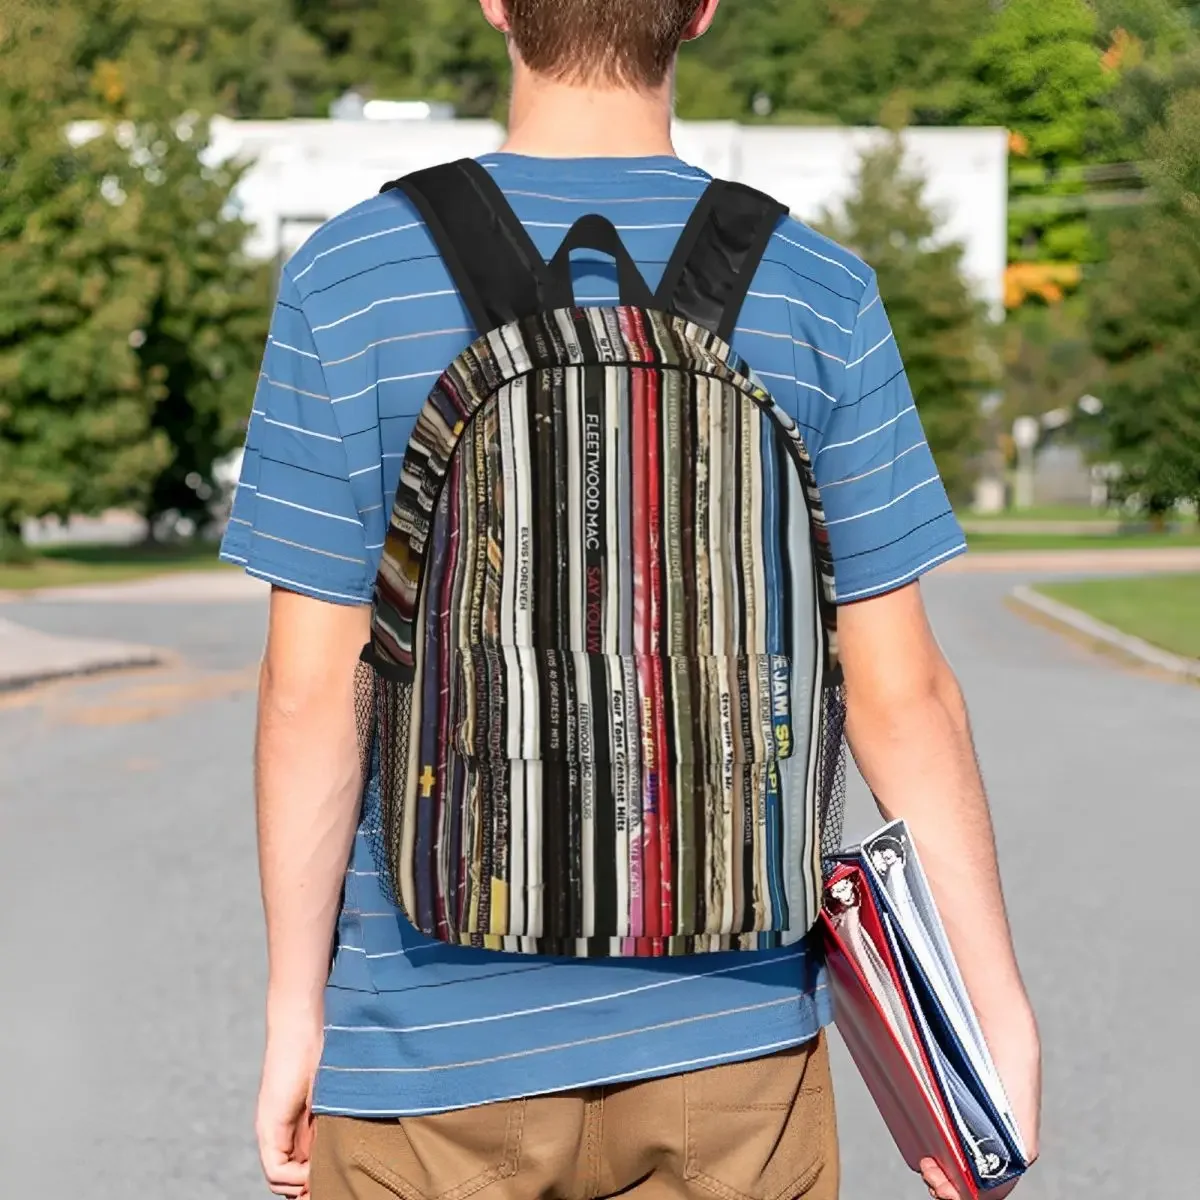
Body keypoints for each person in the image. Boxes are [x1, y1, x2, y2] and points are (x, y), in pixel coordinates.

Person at [221, 2, 1041, 1198]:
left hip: (428, 1042)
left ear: (497, 3)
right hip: (735, 1043)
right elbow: (901, 693)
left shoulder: (351, 280)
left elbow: (310, 692)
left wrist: (299, 1011)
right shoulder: (818, 290)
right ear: (701, 10)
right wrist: (989, 1012)